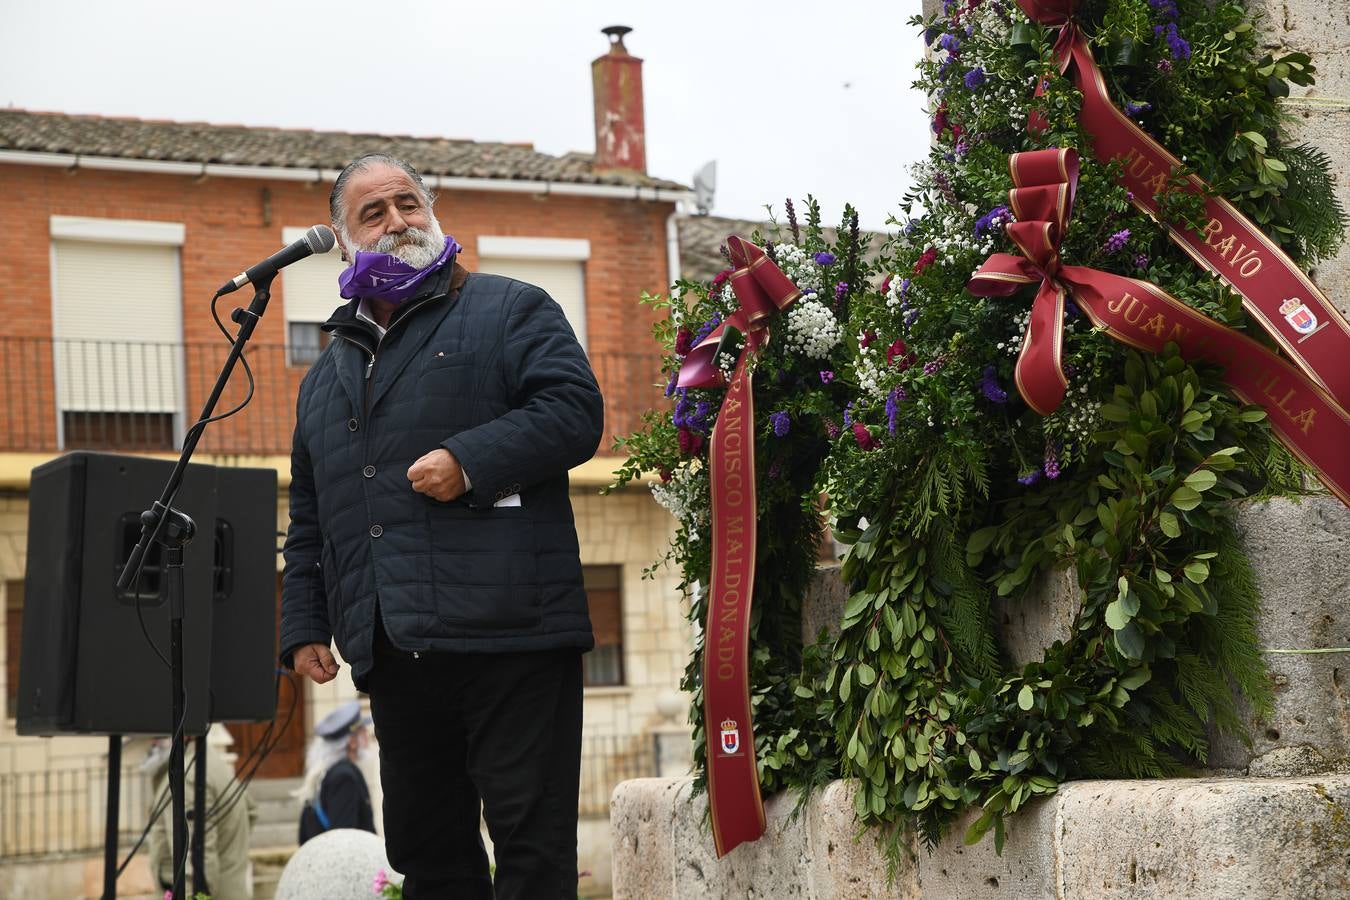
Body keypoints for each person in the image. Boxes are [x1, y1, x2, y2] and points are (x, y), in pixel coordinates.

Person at [280, 153, 603, 899]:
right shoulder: (325, 378)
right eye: (374, 212)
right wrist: (304, 621)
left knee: (531, 848)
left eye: (409, 203)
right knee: (429, 856)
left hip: (513, 631)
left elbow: (573, 414)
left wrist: (469, 458)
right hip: (396, 648)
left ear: (431, 212)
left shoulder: (511, 307)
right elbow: (311, 516)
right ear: (343, 237)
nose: (398, 221)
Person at [144, 737, 257, 900]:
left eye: (160, 736)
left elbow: (197, 864)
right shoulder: (210, 762)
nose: (152, 743)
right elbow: (251, 811)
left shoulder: (188, 777)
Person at [296, 700, 377, 844]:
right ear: (352, 742)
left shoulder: (329, 772)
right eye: (364, 731)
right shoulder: (344, 777)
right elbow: (344, 839)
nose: (368, 736)